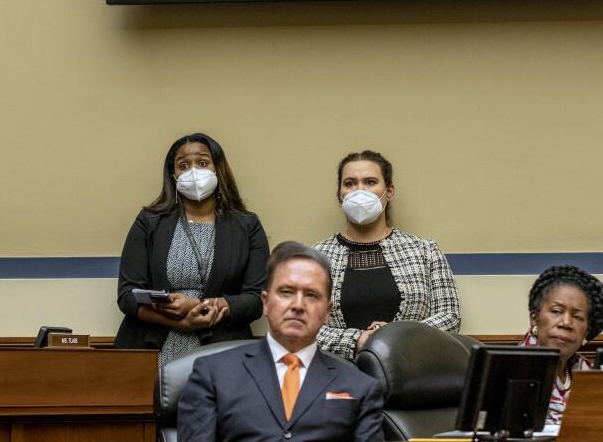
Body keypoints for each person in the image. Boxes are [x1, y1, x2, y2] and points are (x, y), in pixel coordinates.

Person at [178, 241, 383, 442]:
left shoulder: (361, 387)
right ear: (265, 303)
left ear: (327, 312)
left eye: (311, 295)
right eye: (287, 292)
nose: (298, 305)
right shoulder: (212, 374)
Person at [115, 132, 269, 364]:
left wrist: (201, 306)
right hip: (150, 349)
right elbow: (128, 296)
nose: (193, 171)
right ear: (173, 175)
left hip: (224, 352)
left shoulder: (246, 225)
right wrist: (180, 322)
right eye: (183, 165)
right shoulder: (149, 221)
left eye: (203, 162)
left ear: (218, 169)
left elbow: (257, 298)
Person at [313, 150, 460, 360]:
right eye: (350, 183)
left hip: (413, 374)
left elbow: (450, 317)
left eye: (370, 182)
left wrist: (395, 334)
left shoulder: (425, 250)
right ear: (339, 195)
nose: (359, 191)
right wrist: (359, 340)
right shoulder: (317, 257)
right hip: (338, 376)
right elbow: (307, 327)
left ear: (389, 191)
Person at [521, 265, 603, 425]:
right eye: (556, 311)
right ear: (534, 318)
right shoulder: (511, 369)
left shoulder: (588, 375)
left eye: (577, 317)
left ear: (586, 332)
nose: (566, 323)